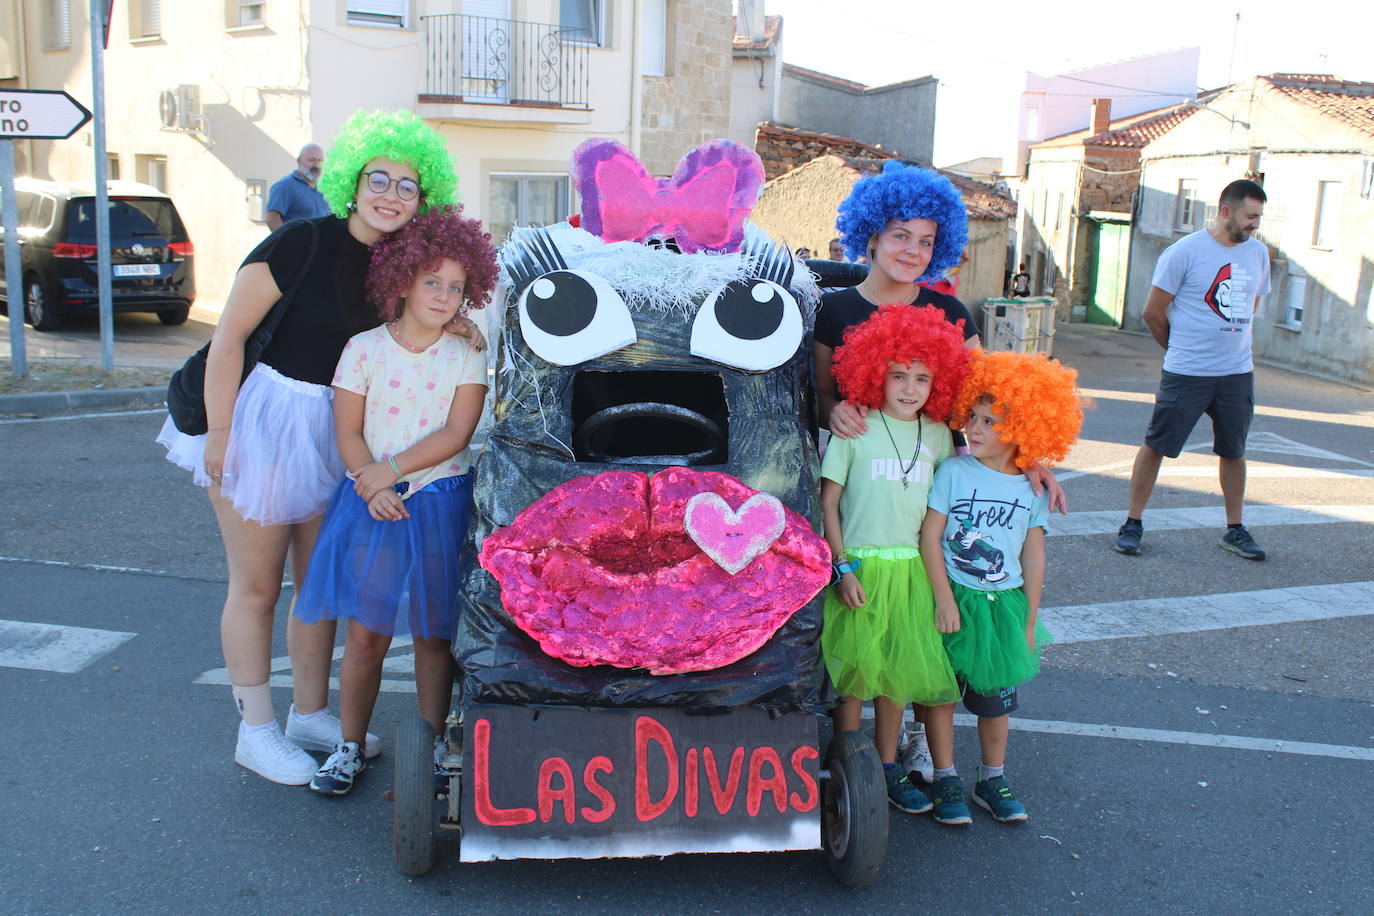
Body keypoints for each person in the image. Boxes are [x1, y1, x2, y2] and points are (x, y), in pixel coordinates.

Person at [156, 109, 474, 786]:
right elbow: (229, 337)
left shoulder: (399, 263)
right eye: (378, 179)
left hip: (337, 429)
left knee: (317, 587)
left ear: (424, 196)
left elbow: (427, 309)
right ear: (351, 183)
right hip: (263, 419)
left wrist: (465, 324)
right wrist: (221, 431)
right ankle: (256, 730)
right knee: (258, 586)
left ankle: (307, 714)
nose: (390, 194)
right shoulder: (298, 243)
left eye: (407, 186)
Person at [294, 206, 498, 795]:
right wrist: (369, 481)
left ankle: (432, 751)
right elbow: (348, 432)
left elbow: (456, 435)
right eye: (431, 280)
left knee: (436, 635)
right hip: (372, 503)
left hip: (438, 501)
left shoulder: (466, 351)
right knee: (366, 632)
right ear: (402, 277)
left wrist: (391, 473)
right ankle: (350, 746)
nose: (442, 295)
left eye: (456, 287)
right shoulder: (363, 349)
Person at [819, 303, 971, 816]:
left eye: (924, 378)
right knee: (854, 677)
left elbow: (943, 509)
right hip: (859, 568)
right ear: (873, 373)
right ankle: (844, 762)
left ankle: (885, 768)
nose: (910, 388)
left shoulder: (938, 435)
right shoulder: (855, 428)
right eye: (898, 375)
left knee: (896, 679)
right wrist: (841, 566)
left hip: (911, 571)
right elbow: (828, 503)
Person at [919, 350, 1082, 825]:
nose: (975, 427)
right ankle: (945, 775)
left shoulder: (1030, 490)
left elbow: (1033, 554)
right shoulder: (953, 472)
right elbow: (931, 535)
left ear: (1025, 429)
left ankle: (992, 777)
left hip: (1003, 604)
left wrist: (1030, 617)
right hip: (953, 595)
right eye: (973, 415)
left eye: (990, 421)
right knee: (940, 693)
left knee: (995, 701)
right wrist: (944, 599)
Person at [1113, 179, 1271, 560]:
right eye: (1251, 216)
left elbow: (1250, 306)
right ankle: (1132, 523)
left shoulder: (1258, 254)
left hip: (1236, 373)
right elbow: (1152, 312)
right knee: (1157, 445)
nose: (1255, 224)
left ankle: (1235, 529)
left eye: (1259, 217)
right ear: (1227, 211)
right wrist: (1179, 349)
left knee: (1234, 451)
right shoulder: (1184, 252)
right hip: (1187, 372)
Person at [265, 143, 331, 230]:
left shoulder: (325, 188)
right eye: (312, 160)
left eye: (320, 160)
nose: (316, 165)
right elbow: (272, 219)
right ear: (299, 161)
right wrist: (289, 242)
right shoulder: (284, 186)